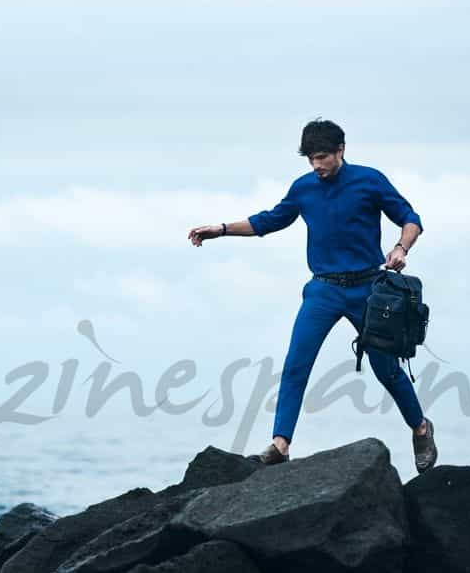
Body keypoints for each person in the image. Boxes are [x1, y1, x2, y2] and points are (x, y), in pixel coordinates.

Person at [186, 119, 438, 473]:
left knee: (387, 371)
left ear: (341, 151)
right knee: (296, 364)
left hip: (369, 290)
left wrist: (401, 246)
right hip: (323, 289)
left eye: (322, 157)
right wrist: (222, 230)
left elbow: (411, 218)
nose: (317, 165)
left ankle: (421, 428)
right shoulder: (303, 188)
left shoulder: (369, 180)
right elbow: (269, 220)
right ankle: (280, 444)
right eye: (310, 159)